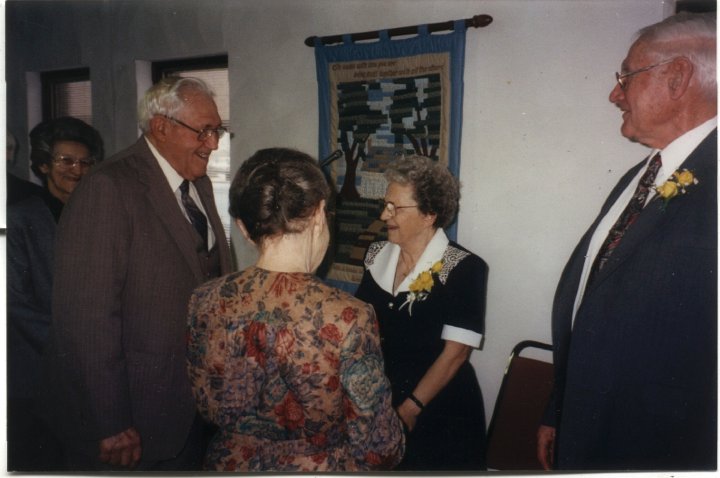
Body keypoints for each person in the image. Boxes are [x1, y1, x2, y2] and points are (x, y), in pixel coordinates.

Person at [537, 12, 716, 471]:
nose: (615, 94)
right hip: (587, 428)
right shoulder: (637, 178)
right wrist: (559, 409)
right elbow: (596, 303)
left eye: (626, 77)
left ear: (677, 78)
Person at [42, 76, 233, 470]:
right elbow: (85, 319)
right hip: (134, 418)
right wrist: (110, 421)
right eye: (205, 131)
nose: (214, 143)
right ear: (161, 126)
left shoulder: (200, 186)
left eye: (218, 131)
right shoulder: (108, 187)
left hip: (191, 408)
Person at [186, 148, 405, 472]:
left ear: (243, 228)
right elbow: (379, 447)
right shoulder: (347, 316)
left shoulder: (203, 299)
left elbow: (205, 405)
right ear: (319, 215)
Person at [355, 155, 488, 471]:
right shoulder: (375, 255)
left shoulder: (464, 268)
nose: (384, 214)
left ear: (429, 214)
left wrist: (411, 409)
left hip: (439, 406)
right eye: (385, 204)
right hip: (383, 401)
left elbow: (455, 354)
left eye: (395, 208)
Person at [7, 117, 103, 471]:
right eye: (66, 161)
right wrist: (75, 347)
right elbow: (13, 302)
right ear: (44, 165)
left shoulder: (99, 217)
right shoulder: (17, 220)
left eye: (85, 162)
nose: (77, 170)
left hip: (90, 374)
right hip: (36, 373)